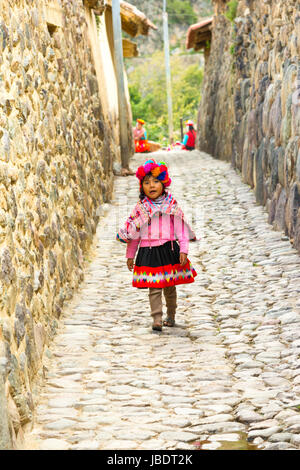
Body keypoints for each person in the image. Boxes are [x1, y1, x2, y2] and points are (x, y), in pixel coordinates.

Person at [116, 159, 197, 331]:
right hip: (149, 252)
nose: (151, 185)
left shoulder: (171, 206)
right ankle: (157, 319)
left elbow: (181, 230)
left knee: (169, 286)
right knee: (153, 287)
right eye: (146, 182)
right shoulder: (141, 209)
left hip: (168, 250)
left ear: (163, 184)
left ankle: (171, 314)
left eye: (155, 181)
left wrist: (184, 249)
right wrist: (130, 255)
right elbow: (134, 234)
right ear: (141, 187)